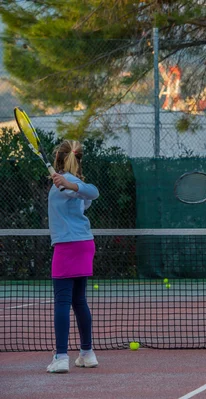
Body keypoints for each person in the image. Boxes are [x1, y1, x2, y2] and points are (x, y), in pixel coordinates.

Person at [46, 140, 100, 373]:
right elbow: (86, 200)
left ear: (58, 159)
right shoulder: (68, 183)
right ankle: (87, 354)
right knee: (78, 301)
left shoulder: (69, 183)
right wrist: (70, 185)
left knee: (62, 301)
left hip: (68, 246)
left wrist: (69, 184)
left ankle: (60, 357)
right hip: (84, 245)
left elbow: (93, 193)